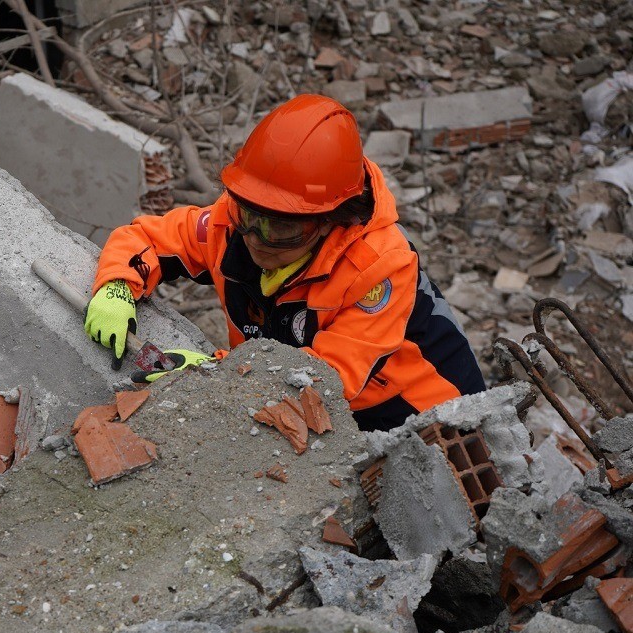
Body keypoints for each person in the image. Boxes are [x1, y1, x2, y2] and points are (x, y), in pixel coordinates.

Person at [83, 94, 485, 432]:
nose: (256, 240)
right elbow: (146, 239)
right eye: (249, 215)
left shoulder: (379, 267)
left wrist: (211, 371)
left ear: (331, 220)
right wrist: (117, 286)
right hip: (300, 406)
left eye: (280, 229)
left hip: (418, 410)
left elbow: (328, 380)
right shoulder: (232, 224)